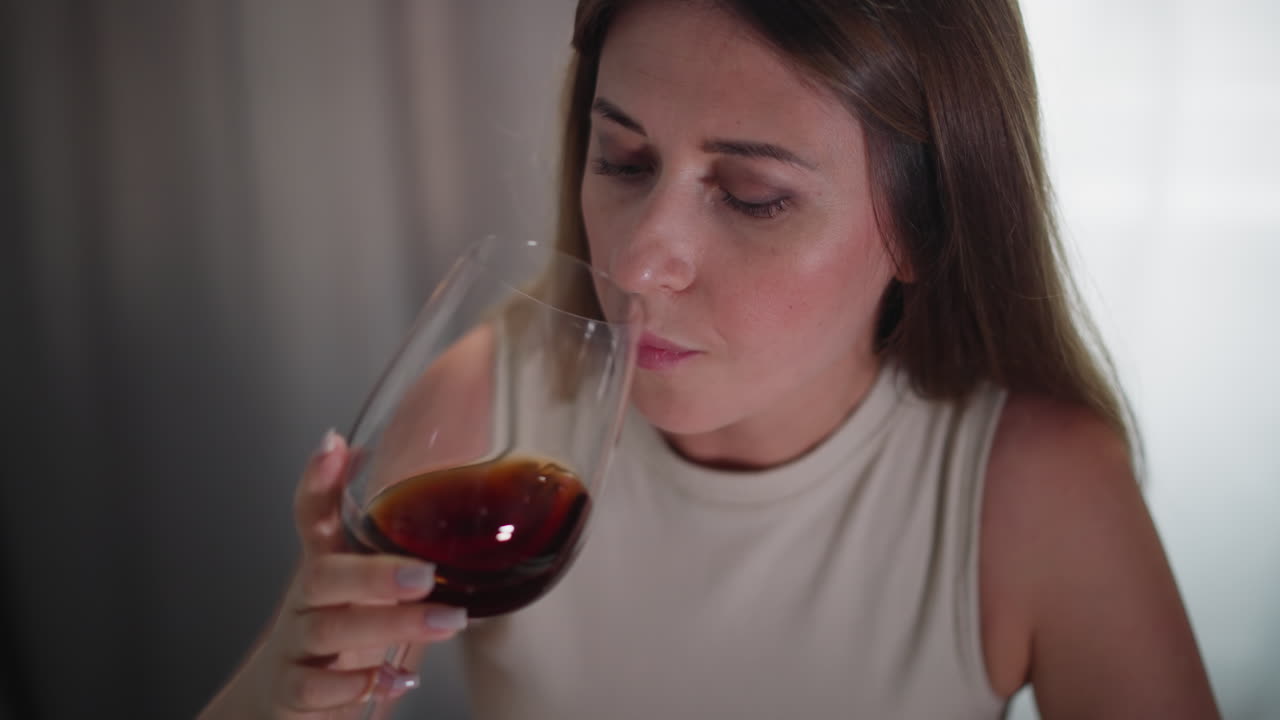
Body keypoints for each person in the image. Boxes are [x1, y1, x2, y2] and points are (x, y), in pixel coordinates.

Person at [200, 0, 1220, 717]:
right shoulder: (491, 405)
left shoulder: (1032, 496)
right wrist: (292, 695)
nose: (639, 259)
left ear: (923, 225)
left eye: (752, 196)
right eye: (622, 159)